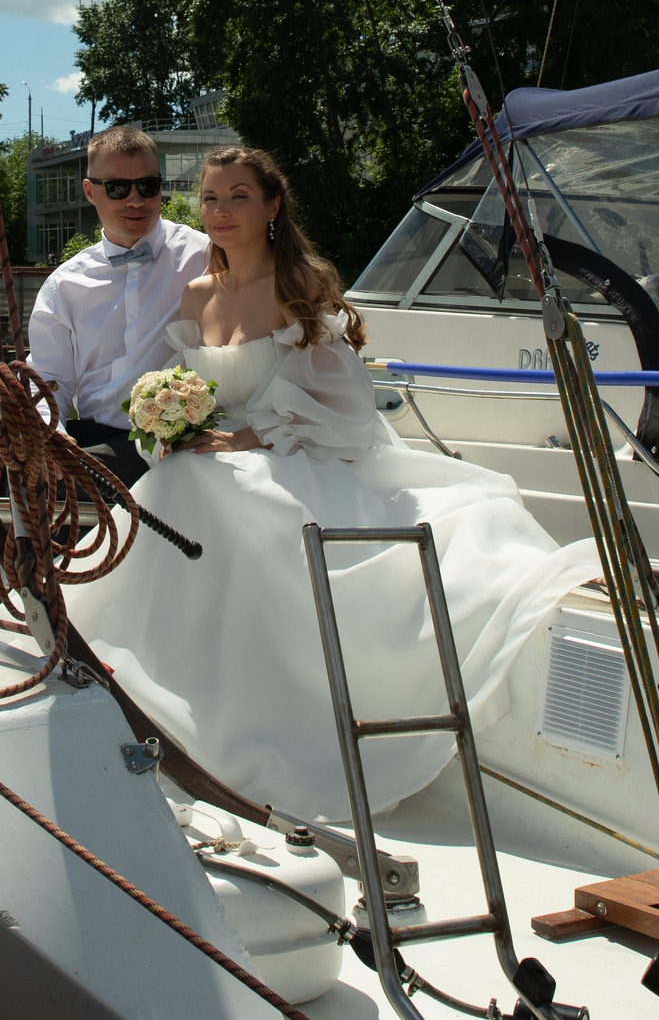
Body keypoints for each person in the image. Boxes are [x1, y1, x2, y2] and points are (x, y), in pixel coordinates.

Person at [61, 146, 597, 821]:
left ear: (273, 206)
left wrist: (243, 439)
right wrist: (175, 421)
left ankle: (261, 707)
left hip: (299, 448)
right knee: (177, 485)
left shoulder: (301, 285)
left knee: (227, 495)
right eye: (210, 199)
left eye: (238, 197)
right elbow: (194, 388)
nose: (221, 212)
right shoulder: (196, 292)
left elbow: (345, 404)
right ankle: (132, 666)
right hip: (216, 455)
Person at [0, 123, 210, 614]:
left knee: (45, 488)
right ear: (90, 191)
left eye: (148, 186)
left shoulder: (203, 256)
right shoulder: (64, 284)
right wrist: (49, 435)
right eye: (118, 188)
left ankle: (35, 618)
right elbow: (50, 380)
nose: (136, 199)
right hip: (82, 438)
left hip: (156, 442)